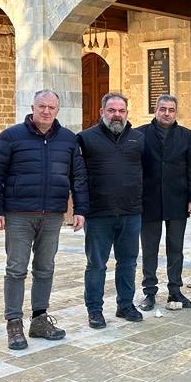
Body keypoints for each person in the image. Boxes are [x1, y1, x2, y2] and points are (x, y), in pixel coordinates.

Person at [0, 90, 89, 350]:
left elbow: (78, 177)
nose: (46, 111)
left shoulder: (68, 139)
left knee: (45, 268)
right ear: (32, 107)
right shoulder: (11, 136)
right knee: (16, 269)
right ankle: (14, 323)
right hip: (19, 215)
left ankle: (40, 320)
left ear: (57, 110)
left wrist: (80, 209)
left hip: (52, 215)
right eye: (41, 106)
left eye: (51, 107)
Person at [78, 92, 145, 328]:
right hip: (98, 214)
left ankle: (125, 305)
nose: (117, 115)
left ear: (127, 113)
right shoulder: (85, 139)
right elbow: (78, 176)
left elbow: (146, 172)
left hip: (130, 212)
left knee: (128, 262)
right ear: (102, 112)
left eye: (121, 111)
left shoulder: (138, 139)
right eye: (112, 110)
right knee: (96, 264)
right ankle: (94, 310)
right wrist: (80, 208)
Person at [136, 94, 191, 312]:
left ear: (176, 112)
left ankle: (175, 290)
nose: (166, 113)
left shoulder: (186, 135)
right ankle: (149, 292)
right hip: (149, 200)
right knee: (149, 249)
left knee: (176, 248)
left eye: (171, 110)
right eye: (163, 109)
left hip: (177, 199)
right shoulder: (140, 134)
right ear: (156, 110)